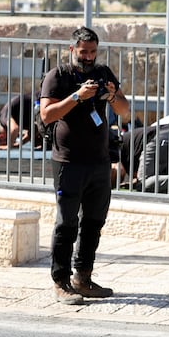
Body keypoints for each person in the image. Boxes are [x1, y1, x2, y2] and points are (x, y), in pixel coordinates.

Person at [41, 26, 131, 305]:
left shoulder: (103, 73)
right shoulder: (59, 76)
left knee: (93, 222)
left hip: (99, 162)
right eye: (83, 52)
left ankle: (84, 277)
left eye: (92, 51)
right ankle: (61, 281)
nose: (88, 57)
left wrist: (113, 96)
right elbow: (46, 115)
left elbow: (125, 113)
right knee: (66, 223)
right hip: (68, 162)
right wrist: (78, 96)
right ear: (72, 50)